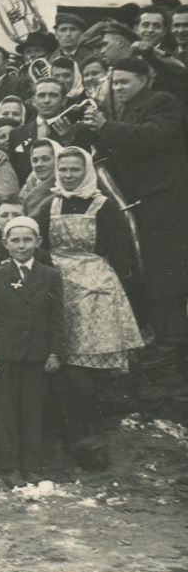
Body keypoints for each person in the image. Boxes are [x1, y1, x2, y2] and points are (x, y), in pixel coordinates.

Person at [33, 147, 142, 460]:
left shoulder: (104, 205)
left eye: (74, 170)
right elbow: (34, 244)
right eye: (63, 170)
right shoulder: (48, 205)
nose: (68, 176)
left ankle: (89, 438)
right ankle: (66, 436)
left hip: (94, 291)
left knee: (84, 367)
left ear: (86, 172)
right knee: (61, 364)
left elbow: (121, 253)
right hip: (56, 286)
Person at [79, 56, 188, 351]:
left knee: (167, 274)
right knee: (149, 271)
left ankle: (174, 344)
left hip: (164, 201)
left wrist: (106, 126)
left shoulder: (161, 101)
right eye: (115, 83)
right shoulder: (125, 110)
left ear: (145, 79)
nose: (118, 88)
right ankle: (162, 342)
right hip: (139, 200)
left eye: (124, 82)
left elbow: (152, 137)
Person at [0, 217, 64, 488]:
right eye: (15, 240)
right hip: (5, 355)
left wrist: (54, 352)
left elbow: (57, 318)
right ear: (5, 244)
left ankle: (32, 465)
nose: (21, 245)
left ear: (38, 242)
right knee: (6, 413)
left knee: (33, 411)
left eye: (27, 240)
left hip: (37, 355)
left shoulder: (50, 276)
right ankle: (10, 466)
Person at [7, 78, 89, 184]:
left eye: (53, 95)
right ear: (33, 101)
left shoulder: (78, 130)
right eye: (41, 95)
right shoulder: (17, 134)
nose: (47, 100)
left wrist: (68, 140)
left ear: (64, 101)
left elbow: (85, 165)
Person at [0, 195, 53, 271]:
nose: (10, 219)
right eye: (4, 215)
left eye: (16, 215)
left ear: (26, 219)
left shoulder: (42, 257)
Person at [19, 139, 61, 215]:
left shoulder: (63, 189)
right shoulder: (29, 187)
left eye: (45, 159)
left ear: (58, 160)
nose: (39, 164)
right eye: (35, 160)